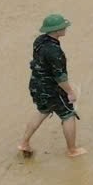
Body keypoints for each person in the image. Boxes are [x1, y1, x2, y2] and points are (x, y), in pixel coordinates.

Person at [20, 14, 83, 158]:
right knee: (68, 115)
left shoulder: (39, 41)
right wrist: (70, 92)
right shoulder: (56, 52)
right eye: (63, 27)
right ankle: (72, 150)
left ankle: (24, 143)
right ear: (56, 30)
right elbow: (60, 77)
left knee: (42, 111)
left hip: (36, 85)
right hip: (51, 90)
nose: (65, 28)